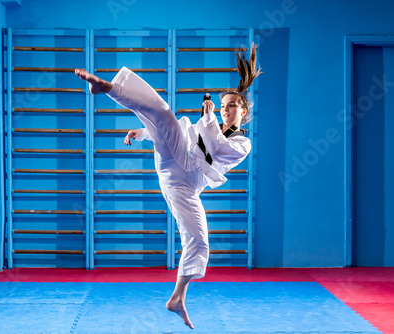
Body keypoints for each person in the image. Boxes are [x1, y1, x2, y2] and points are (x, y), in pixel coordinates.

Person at [75, 43, 261, 329]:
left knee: (198, 240)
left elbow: (220, 149)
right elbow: (181, 137)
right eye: (222, 106)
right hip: (177, 165)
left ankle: (177, 298)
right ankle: (108, 88)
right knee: (164, 114)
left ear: (243, 109)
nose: (225, 110)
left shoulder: (243, 142)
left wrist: (209, 116)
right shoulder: (207, 122)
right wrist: (141, 134)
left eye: (231, 105)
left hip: (186, 187)